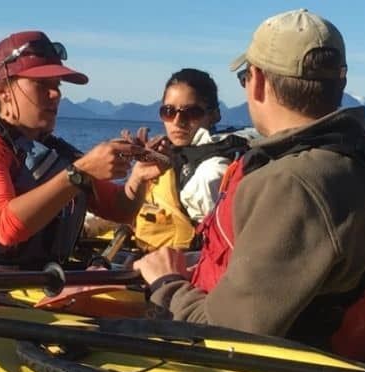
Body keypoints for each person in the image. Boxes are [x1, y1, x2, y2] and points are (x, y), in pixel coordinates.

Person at [134, 9, 365, 352]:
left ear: (256, 82)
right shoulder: (356, 160)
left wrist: (166, 282)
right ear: (340, 83)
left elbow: (225, 334)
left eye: (244, 77)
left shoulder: (292, 184)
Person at [0, 30, 167, 268]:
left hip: (39, 280)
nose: (56, 94)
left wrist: (139, 176)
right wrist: (80, 173)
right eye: (41, 84)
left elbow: (121, 209)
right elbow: (3, 227)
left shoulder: (50, 151)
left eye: (57, 85)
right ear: (4, 92)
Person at [83, 69, 256, 251]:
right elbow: (135, 209)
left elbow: (221, 247)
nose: (178, 121)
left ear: (214, 115)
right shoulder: (160, 156)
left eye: (192, 112)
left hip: (182, 270)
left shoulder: (211, 172)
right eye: (169, 111)